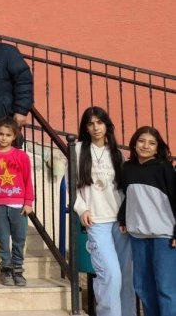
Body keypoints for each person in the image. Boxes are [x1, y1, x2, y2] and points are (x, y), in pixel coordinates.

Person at [72, 107, 134, 316]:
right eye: (90, 123)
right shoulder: (78, 150)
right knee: (111, 275)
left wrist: (126, 217)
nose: (96, 127)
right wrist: (82, 209)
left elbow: (125, 189)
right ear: (85, 128)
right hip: (97, 221)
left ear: (107, 125)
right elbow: (71, 186)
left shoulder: (117, 153)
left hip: (121, 223)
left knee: (125, 276)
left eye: (99, 122)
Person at [117, 126, 175, 316]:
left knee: (165, 288)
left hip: (164, 235)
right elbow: (128, 196)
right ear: (134, 143)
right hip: (138, 235)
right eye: (141, 141)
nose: (146, 146)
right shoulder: (128, 168)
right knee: (142, 287)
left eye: (151, 143)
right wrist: (123, 217)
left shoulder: (165, 167)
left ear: (158, 148)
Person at [0, 118, 34, 286]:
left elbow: (27, 180)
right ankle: (6, 268)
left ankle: (18, 269)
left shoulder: (22, 156)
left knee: (19, 237)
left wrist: (28, 202)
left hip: (18, 205)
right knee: (2, 237)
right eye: (1, 134)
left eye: (8, 135)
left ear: (14, 136)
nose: (4, 138)